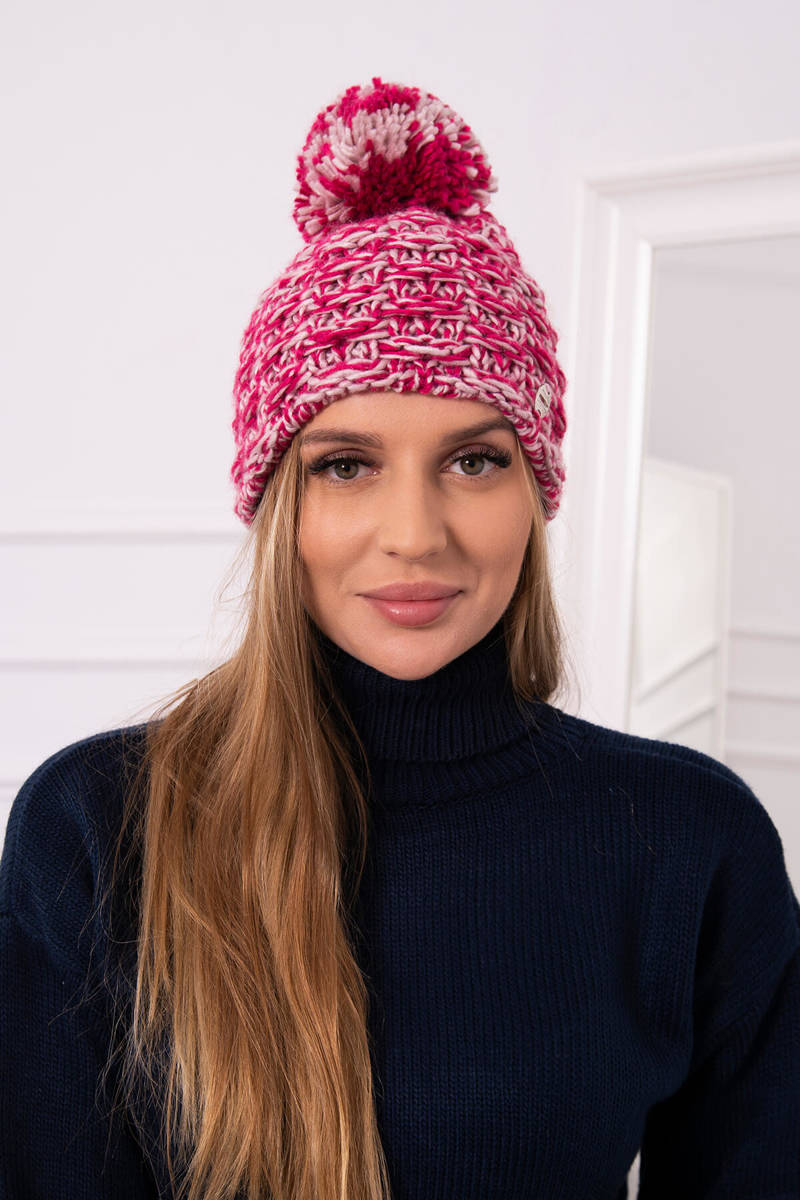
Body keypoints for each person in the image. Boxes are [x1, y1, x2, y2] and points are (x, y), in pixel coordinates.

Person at [1, 75, 798, 1200]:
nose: (415, 534)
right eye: (346, 465)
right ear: (279, 507)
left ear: (534, 492)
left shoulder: (690, 843)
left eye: (474, 460)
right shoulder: (96, 832)